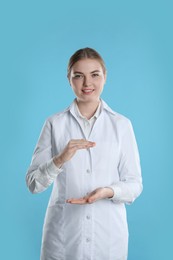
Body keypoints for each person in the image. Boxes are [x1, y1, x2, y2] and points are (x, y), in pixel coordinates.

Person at [26, 47, 143, 260]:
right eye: (78, 76)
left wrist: (108, 191)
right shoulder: (54, 124)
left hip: (108, 239)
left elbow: (135, 184)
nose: (87, 83)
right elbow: (33, 184)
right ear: (69, 79)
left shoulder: (122, 125)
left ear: (105, 77)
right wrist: (60, 159)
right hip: (62, 239)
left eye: (94, 75)